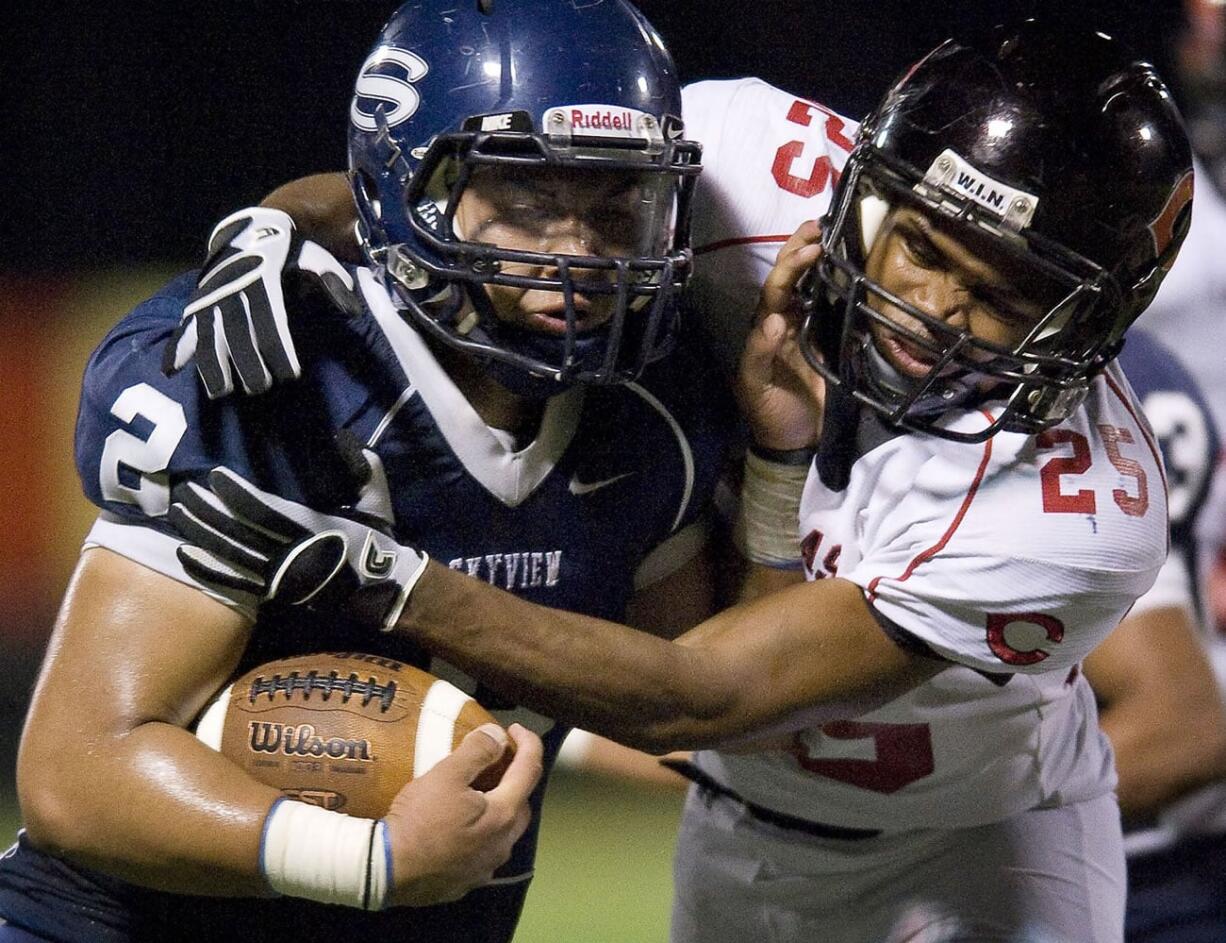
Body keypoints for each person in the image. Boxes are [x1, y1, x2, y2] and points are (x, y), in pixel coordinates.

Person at [169, 21, 1197, 942]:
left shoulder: (1081, 508)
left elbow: (708, 695)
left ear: (1088, 326)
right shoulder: (741, 162)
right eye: (921, 244)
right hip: (733, 822)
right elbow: (435, 188)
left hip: (976, 836)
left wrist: (397, 585)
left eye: (1003, 294)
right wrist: (277, 226)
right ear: (856, 179)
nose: (928, 309)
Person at [0, 2, 728, 941]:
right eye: (529, 200)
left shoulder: (653, 408)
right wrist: (371, 859)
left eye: (615, 203)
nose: (578, 255)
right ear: (408, 188)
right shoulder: (289, 373)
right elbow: (76, 770)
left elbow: (684, 714)